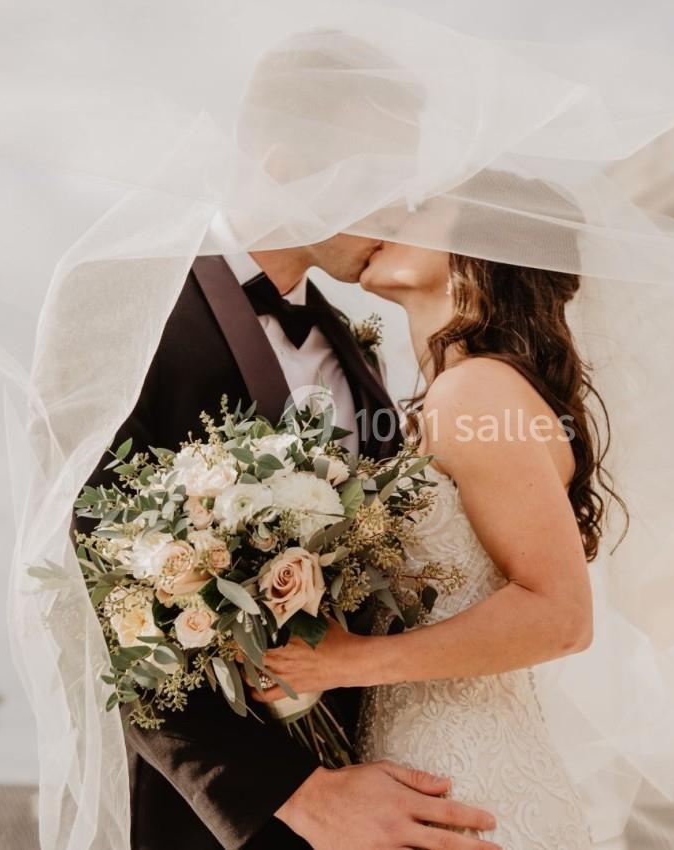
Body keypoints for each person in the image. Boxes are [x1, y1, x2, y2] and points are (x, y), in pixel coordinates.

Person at [80, 29, 501, 850]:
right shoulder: (121, 303)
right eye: (377, 181)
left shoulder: (356, 344)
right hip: (216, 821)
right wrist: (298, 796)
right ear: (282, 166)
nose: (398, 211)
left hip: (386, 785)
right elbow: (89, 591)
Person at [252, 177, 619, 849]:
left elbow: (561, 615)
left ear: (483, 245)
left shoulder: (473, 393)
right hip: (421, 770)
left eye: (419, 207)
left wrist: (345, 663)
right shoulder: (444, 399)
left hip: (466, 780)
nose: (386, 212)